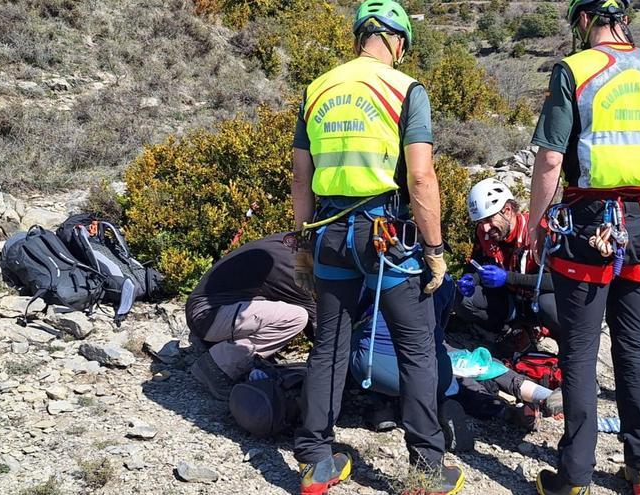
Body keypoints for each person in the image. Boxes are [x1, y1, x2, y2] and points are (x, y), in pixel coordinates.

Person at [290, 1, 462, 493]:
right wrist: (434, 248)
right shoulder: (406, 90)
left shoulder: (317, 89)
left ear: (360, 36)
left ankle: (316, 461)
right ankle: (428, 468)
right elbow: (422, 176)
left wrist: (304, 243)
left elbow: (302, 179)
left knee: (329, 347)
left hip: (329, 233)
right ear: (398, 41)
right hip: (387, 236)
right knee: (416, 347)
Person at [528, 1, 640, 494]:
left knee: (579, 352)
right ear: (625, 20)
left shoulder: (575, 70)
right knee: (633, 347)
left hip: (588, 225)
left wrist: (535, 223)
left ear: (583, 21)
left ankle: (574, 476)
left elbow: (552, 158)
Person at [350, 275, 563, 436]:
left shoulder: (374, 275)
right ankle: (542, 396)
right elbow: (437, 333)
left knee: (451, 381)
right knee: (472, 364)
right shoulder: (443, 281)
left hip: (371, 366)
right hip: (421, 350)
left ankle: (384, 406)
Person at [185, 233, 316, 400]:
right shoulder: (293, 264)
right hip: (207, 315)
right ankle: (216, 366)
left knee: (289, 312)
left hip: (213, 311)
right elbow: (314, 320)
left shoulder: (290, 244)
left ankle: (222, 349)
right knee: (297, 317)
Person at [454, 178, 560, 346]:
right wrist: (471, 278)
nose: (485, 228)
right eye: (481, 222)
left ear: (508, 210)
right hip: (510, 301)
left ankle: (559, 341)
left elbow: (559, 282)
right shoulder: (485, 234)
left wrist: (508, 278)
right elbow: (476, 263)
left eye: (489, 219)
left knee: (549, 305)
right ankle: (510, 332)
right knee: (462, 300)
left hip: (538, 302)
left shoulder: (539, 232)